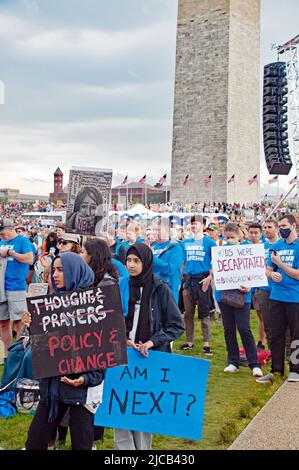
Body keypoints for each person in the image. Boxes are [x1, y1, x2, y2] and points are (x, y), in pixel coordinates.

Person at [23, 252, 105, 450]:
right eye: (53, 271)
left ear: (74, 271)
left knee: (81, 444)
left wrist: (85, 379)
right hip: (53, 389)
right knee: (35, 442)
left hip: (82, 393)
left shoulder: (94, 305)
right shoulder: (50, 303)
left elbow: (103, 354)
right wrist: (32, 328)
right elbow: (46, 348)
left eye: (61, 270)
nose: (55, 275)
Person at [115, 243, 184, 450]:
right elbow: (110, 319)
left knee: (143, 410)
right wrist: (123, 340)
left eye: (137, 261)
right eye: (128, 260)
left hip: (149, 358)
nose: (132, 265)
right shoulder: (121, 285)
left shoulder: (160, 288)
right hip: (123, 354)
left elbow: (176, 325)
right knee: (120, 408)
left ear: (147, 262)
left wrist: (151, 342)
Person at [215, 223, 263, 377]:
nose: (229, 240)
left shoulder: (247, 251)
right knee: (229, 329)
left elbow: (256, 272)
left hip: (243, 296)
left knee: (244, 328)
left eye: (232, 237)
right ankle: (233, 361)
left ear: (239, 237)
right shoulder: (219, 252)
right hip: (224, 295)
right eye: (226, 237)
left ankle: (254, 363)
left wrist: (250, 286)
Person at [257, 214, 299, 383]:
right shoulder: (277, 246)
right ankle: (276, 370)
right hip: (276, 296)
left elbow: (297, 274)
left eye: (284, 226)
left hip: (295, 298)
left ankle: (295, 370)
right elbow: (267, 269)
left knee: (296, 335)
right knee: (275, 334)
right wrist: (271, 274)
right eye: (279, 226)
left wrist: (280, 264)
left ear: (293, 225)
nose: (281, 229)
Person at [180, 215, 216, 354]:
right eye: (192, 223)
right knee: (188, 313)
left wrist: (210, 277)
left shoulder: (209, 243)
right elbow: (184, 262)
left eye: (197, 223)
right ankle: (189, 341)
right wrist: (181, 279)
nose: (194, 225)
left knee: (204, 313)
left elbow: (216, 262)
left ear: (204, 226)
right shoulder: (186, 242)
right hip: (189, 280)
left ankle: (206, 343)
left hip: (203, 280)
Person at [0, 219, 34, 357]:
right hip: (2, 287)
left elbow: (29, 259)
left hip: (17, 286)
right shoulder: (2, 242)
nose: (2, 237)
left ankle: (20, 351)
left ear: (10, 229)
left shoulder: (23, 241)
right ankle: (8, 353)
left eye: (3, 234)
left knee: (19, 321)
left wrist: (10, 253)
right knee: (3, 322)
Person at [253, 219, 280, 351]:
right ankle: (271, 350)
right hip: (263, 288)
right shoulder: (261, 246)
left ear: (277, 229)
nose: (267, 229)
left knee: (281, 322)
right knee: (267, 322)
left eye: (270, 227)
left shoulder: (282, 245)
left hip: (279, 288)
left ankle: (284, 351)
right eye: (265, 227)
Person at [151, 218, 184, 304]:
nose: (155, 232)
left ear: (167, 230)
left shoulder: (176, 248)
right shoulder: (152, 246)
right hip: (152, 288)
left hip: (168, 290)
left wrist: (152, 258)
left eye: (158, 229)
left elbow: (170, 269)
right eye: (153, 229)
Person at [248, 222, 267, 350]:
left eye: (256, 233)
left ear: (260, 234)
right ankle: (260, 341)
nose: (254, 235)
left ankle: (263, 341)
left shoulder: (265, 247)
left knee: (263, 316)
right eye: (251, 232)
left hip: (261, 286)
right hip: (248, 287)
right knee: (258, 315)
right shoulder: (244, 246)